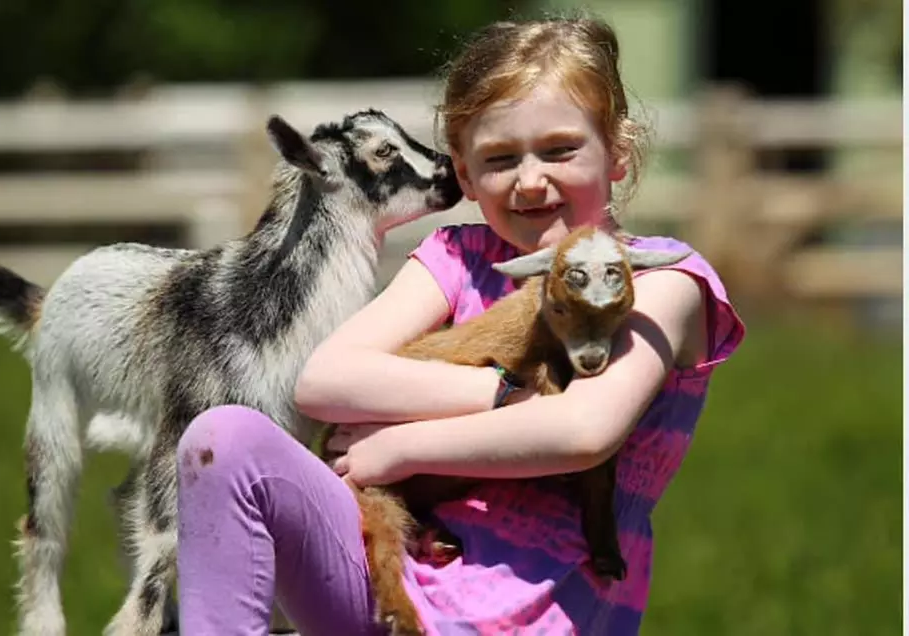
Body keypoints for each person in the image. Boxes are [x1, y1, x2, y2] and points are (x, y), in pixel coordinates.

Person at [174, 14, 746, 636]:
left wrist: (398, 445)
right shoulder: (458, 260)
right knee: (223, 440)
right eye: (500, 159)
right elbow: (323, 380)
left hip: (530, 613)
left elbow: (583, 428)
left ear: (617, 151)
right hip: (380, 580)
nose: (531, 180)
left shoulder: (661, 280)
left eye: (560, 149)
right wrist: (501, 394)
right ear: (465, 174)